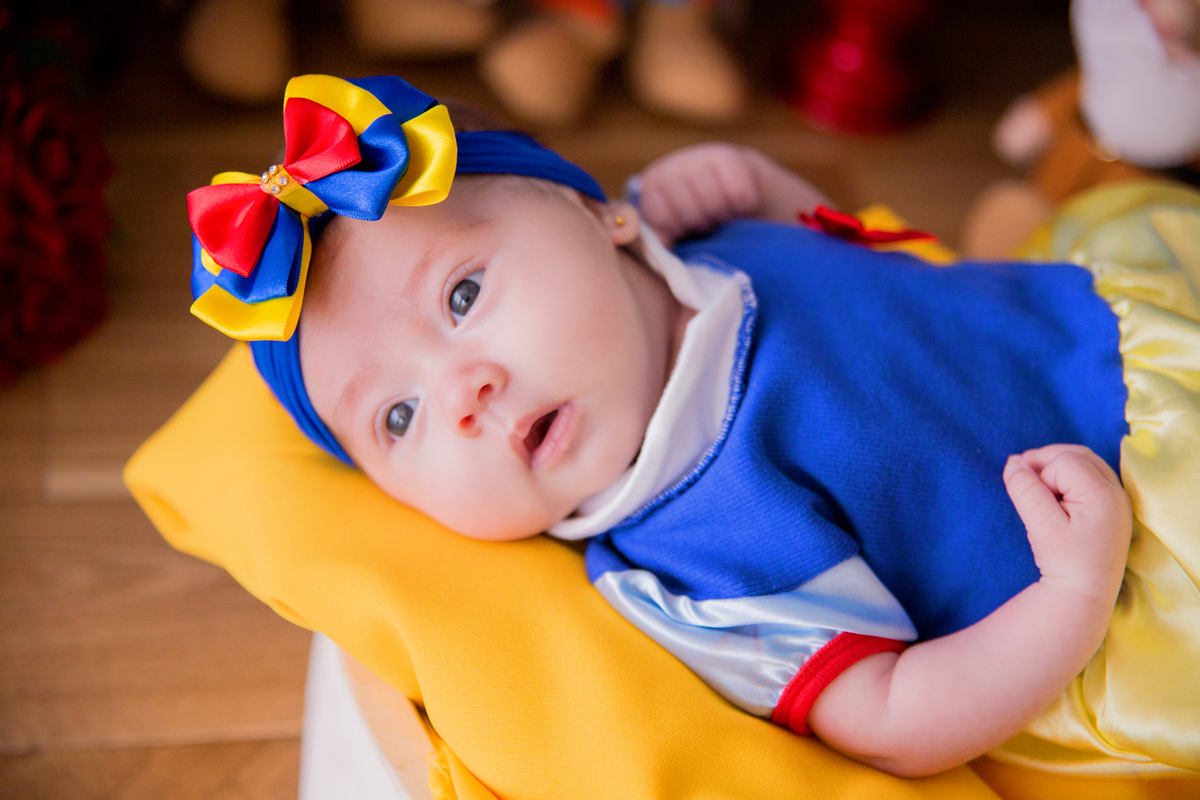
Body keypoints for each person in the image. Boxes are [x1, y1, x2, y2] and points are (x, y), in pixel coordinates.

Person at [186, 74, 1200, 776]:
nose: (465, 393)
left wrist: (765, 189)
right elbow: (894, 715)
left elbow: (867, 269)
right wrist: (1072, 590)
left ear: (596, 216)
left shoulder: (698, 239)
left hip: (1112, 323)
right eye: (398, 416)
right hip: (1137, 536)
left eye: (461, 298)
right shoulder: (700, 558)